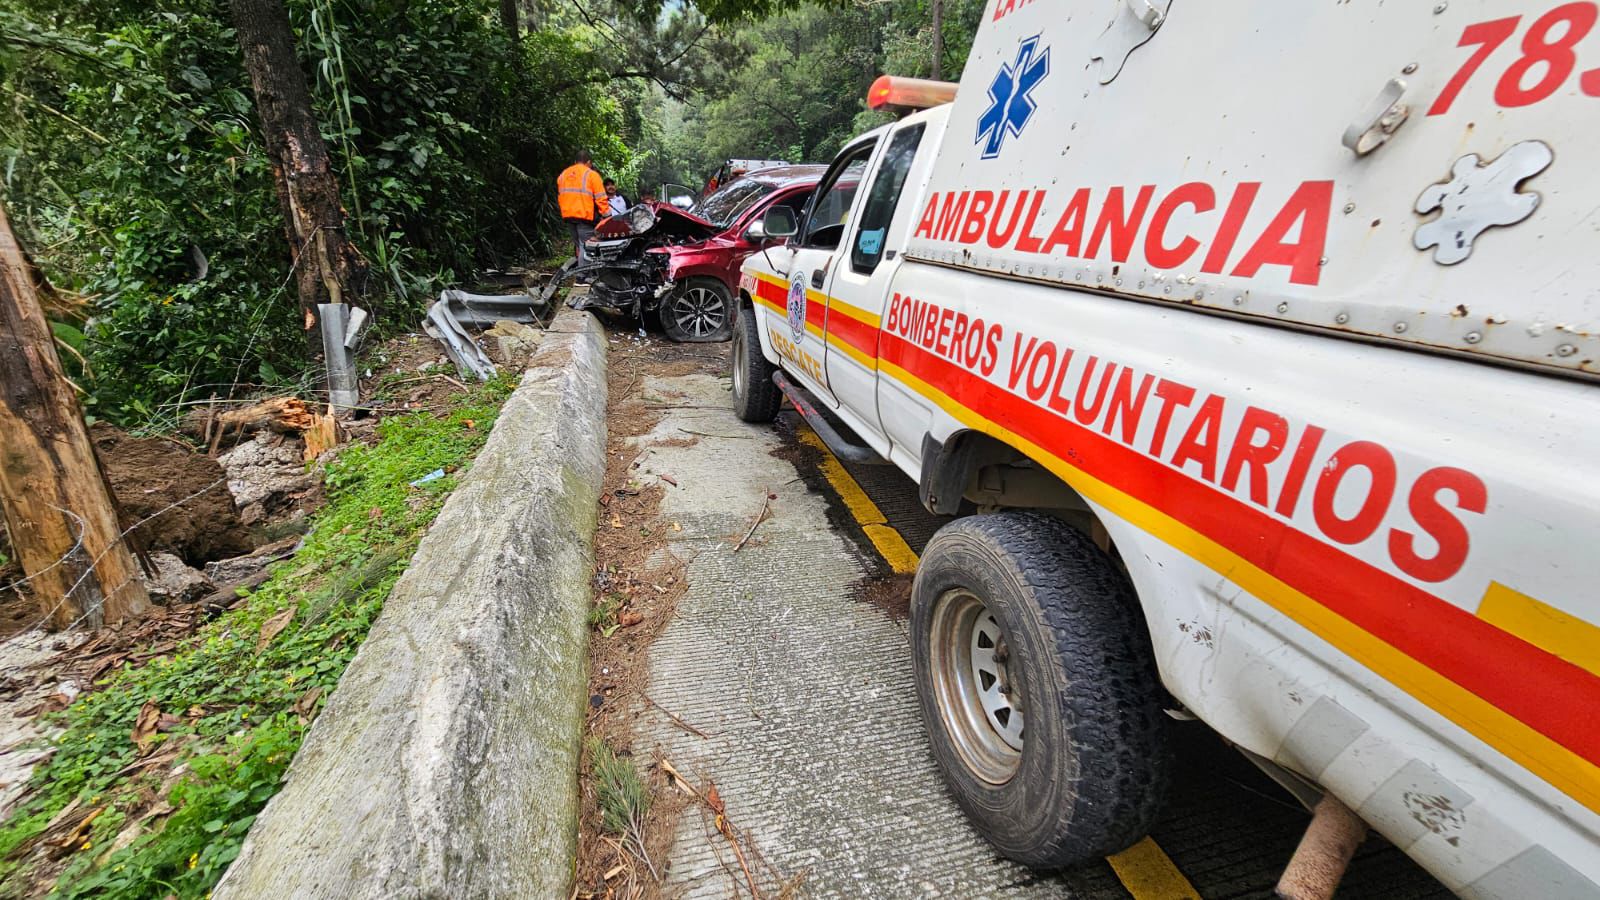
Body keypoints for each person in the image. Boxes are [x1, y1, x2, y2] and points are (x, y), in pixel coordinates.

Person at [556, 150, 606, 264]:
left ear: (575, 161)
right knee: (586, 246)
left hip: (568, 217)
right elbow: (601, 198)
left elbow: (561, 196)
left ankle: (581, 273)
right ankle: (582, 277)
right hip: (584, 217)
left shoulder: (563, 174)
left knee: (579, 246)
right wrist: (607, 216)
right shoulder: (592, 175)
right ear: (589, 162)